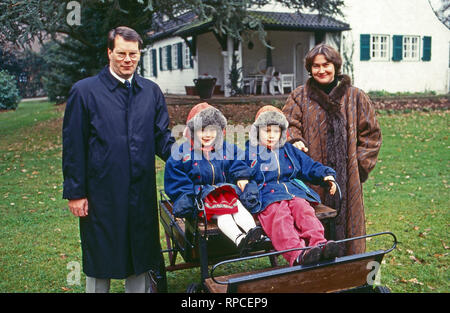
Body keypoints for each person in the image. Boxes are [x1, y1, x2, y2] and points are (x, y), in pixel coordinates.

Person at [62, 26, 175, 293]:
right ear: (109, 52)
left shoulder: (151, 92)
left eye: (133, 54)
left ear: (139, 54)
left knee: (139, 257)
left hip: (140, 193)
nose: (128, 60)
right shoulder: (84, 92)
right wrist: (75, 193)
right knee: (101, 258)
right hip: (101, 195)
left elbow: (162, 139)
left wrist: (189, 157)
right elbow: (73, 146)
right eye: (122, 53)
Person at [282, 43, 382, 256]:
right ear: (310, 69)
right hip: (311, 178)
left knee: (349, 229)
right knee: (312, 222)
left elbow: (371, 135)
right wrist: (295, 141)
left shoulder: (356, 97)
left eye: (326, 65)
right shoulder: (299, 97)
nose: (321, 70)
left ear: (335, 66)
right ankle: (312, 267)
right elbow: (287, 124)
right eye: (316, 66)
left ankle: (349, 271)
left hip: (348, 180)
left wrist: (360, 168)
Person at [245, 105, 340, 266]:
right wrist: (248, 190)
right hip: (268, 195)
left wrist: (326, 174)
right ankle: (297, 254)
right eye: (266, 131)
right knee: (280, 217)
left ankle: (319, 244)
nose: (271, 136)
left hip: (293, 191)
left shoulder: (289, 150)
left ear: (282, 133)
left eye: (276, 131)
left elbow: (309, 165)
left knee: (304, 210)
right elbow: (241, 172)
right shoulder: (250, 151)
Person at [164, 102, 262, 256]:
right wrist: (190, 195)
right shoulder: (182, 154)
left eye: (212, 130)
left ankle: (255, 233)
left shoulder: (226, 149)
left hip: (225, 192)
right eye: (202, 130)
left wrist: (241, 176)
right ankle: (239, 239)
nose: (207, 135)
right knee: (223, 214)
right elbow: (177, 178)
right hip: (203, 197)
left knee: (238, 207)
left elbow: (238, 161)